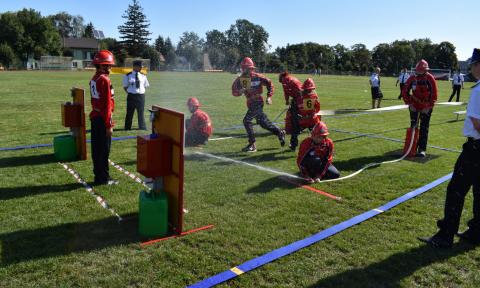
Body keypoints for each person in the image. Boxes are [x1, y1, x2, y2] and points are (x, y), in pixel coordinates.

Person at [419, 48, 480, 248]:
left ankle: (446, 235)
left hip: (475, 148)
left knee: (456, 190)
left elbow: (477, 123)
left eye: (473, 64)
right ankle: (476, 231)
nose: (471, 67)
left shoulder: (478, 90)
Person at [232, 57, 285, 152]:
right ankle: (279, 132)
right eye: (245, 68)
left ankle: (252, 145)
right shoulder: (241, 79)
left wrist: (269, 96)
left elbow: (270, 84)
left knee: (246, 121)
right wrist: (240, 91)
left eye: (249, 68)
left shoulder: (258, 77)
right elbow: (234, 92)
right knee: (263, 123)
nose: (248, 70)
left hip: (258, 102)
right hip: (250, 103)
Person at [89, 50, 118, 185]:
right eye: (106, 65)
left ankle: (98, 176)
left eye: (109, 65)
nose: (109, 68)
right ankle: (103, 178)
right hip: (102, 119)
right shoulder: (104, 80)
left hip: (95, 117)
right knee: (103, 151)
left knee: (97, 149)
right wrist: (109, 125)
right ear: (99, 65)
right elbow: (106, 105)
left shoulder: (94, 78)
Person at [402, 59, 438, 157]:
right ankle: (411, 147)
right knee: (413, 126)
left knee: (424, 127)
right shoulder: (412, 78)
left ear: (425, 70)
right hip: (414, 106)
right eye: (418, 70)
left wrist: (429, 106)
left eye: (421, 70)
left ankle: (421, 149)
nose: (419, 72)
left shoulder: (430, 78)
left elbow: (434, 94)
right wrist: (410, 104)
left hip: (426, 107)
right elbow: (405, 91)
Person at [289, 78, 321, 151]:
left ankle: (293, 146)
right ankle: (318, 147)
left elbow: (293, 110)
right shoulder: (315, 96)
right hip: (312, 119)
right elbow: (318, 108)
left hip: (302, 120)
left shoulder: (298, 98)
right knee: (317, 134)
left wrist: (296, 117)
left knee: (295, 132)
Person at [123, 60, 150, 130]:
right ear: (135, 66)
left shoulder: (143, 75)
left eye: (142, 66)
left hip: (141, 96)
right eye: (140, 66)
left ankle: (142, 127)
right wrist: (131, 92)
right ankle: (127, 127)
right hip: (131, 96)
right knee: (129, 113)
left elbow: (146, 85)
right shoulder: (128, 75)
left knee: (141, 112)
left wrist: (140, 92)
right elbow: (125, 86)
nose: (141, 68)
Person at [279, 71, 303, 150]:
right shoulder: (289, 80)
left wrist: (298, 104)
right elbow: (287, 92)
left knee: (295, 123)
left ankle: (292, 142)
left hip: (298, 102)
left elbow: (299, 92)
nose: (282, 83)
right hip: (300, 101)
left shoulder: (287, 81)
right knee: (300, 121)